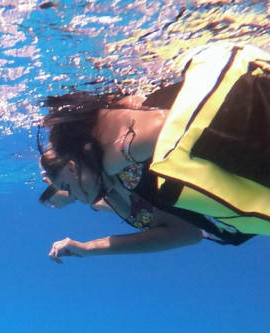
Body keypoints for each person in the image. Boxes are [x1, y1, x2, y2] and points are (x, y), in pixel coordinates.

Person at [39, 42, 270, 263]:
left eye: (69, 188)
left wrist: (89, 248)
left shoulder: (120, 162)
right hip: (244, 162)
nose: (77, 197)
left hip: (250, 144)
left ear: (74, 165)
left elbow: (186, 233)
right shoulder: (105, 186)